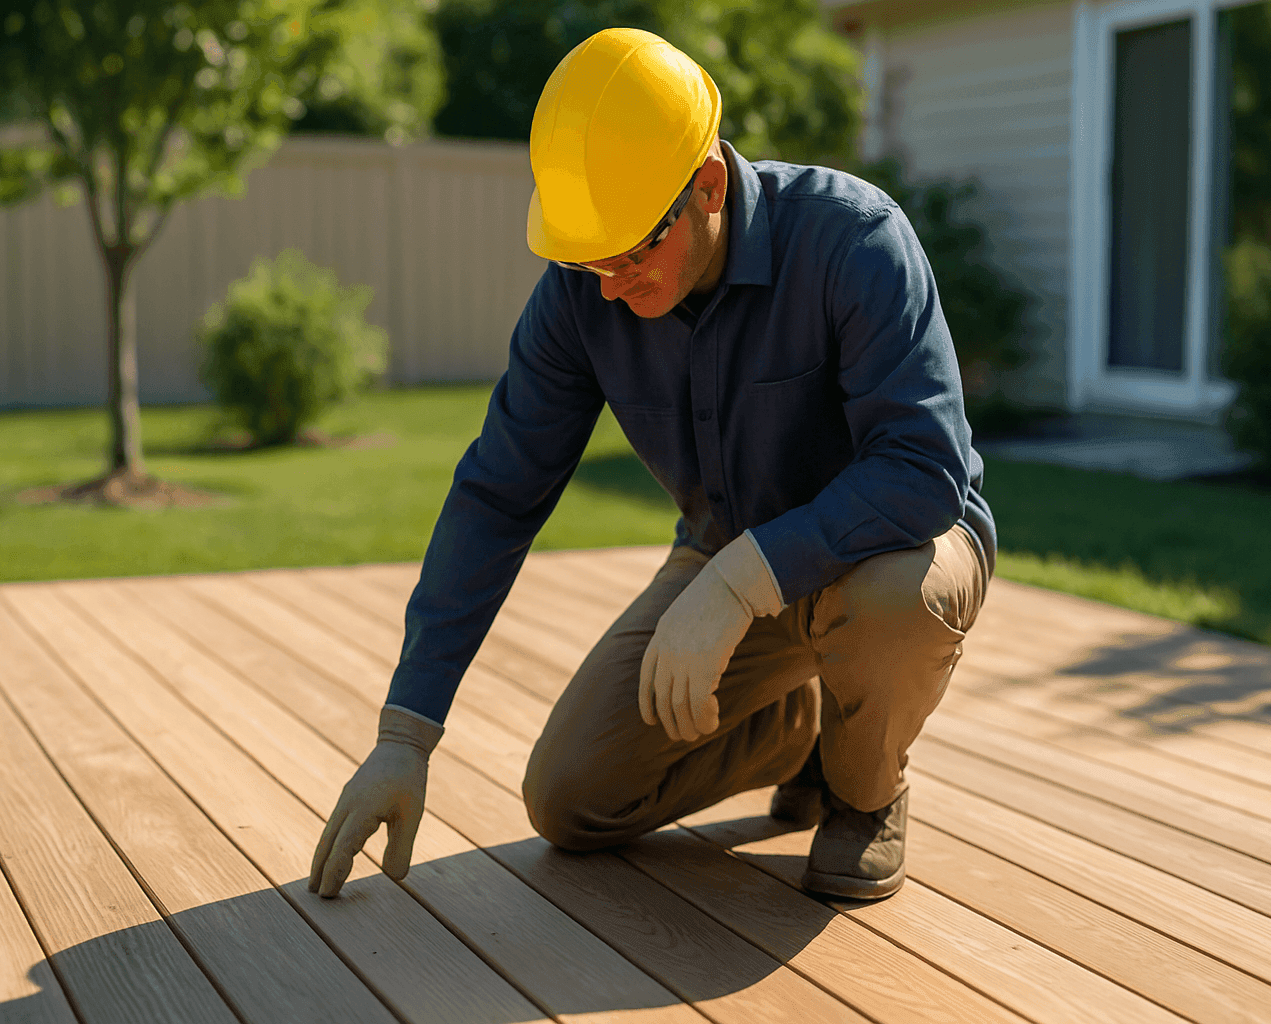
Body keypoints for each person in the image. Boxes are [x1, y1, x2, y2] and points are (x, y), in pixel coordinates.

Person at [310, 27, 994, 903]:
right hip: (724, 558)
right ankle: (798, 732)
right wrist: (406, 734)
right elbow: (498, 493)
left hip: (891, 552)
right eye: (585, 258)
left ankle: (866, 795)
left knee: (900, 597)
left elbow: (923, 468)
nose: (608, 286)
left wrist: (744, 578)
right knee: (570, 799)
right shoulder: (584, 293)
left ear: (708, 184)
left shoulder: (854, 241)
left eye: (631, 251)